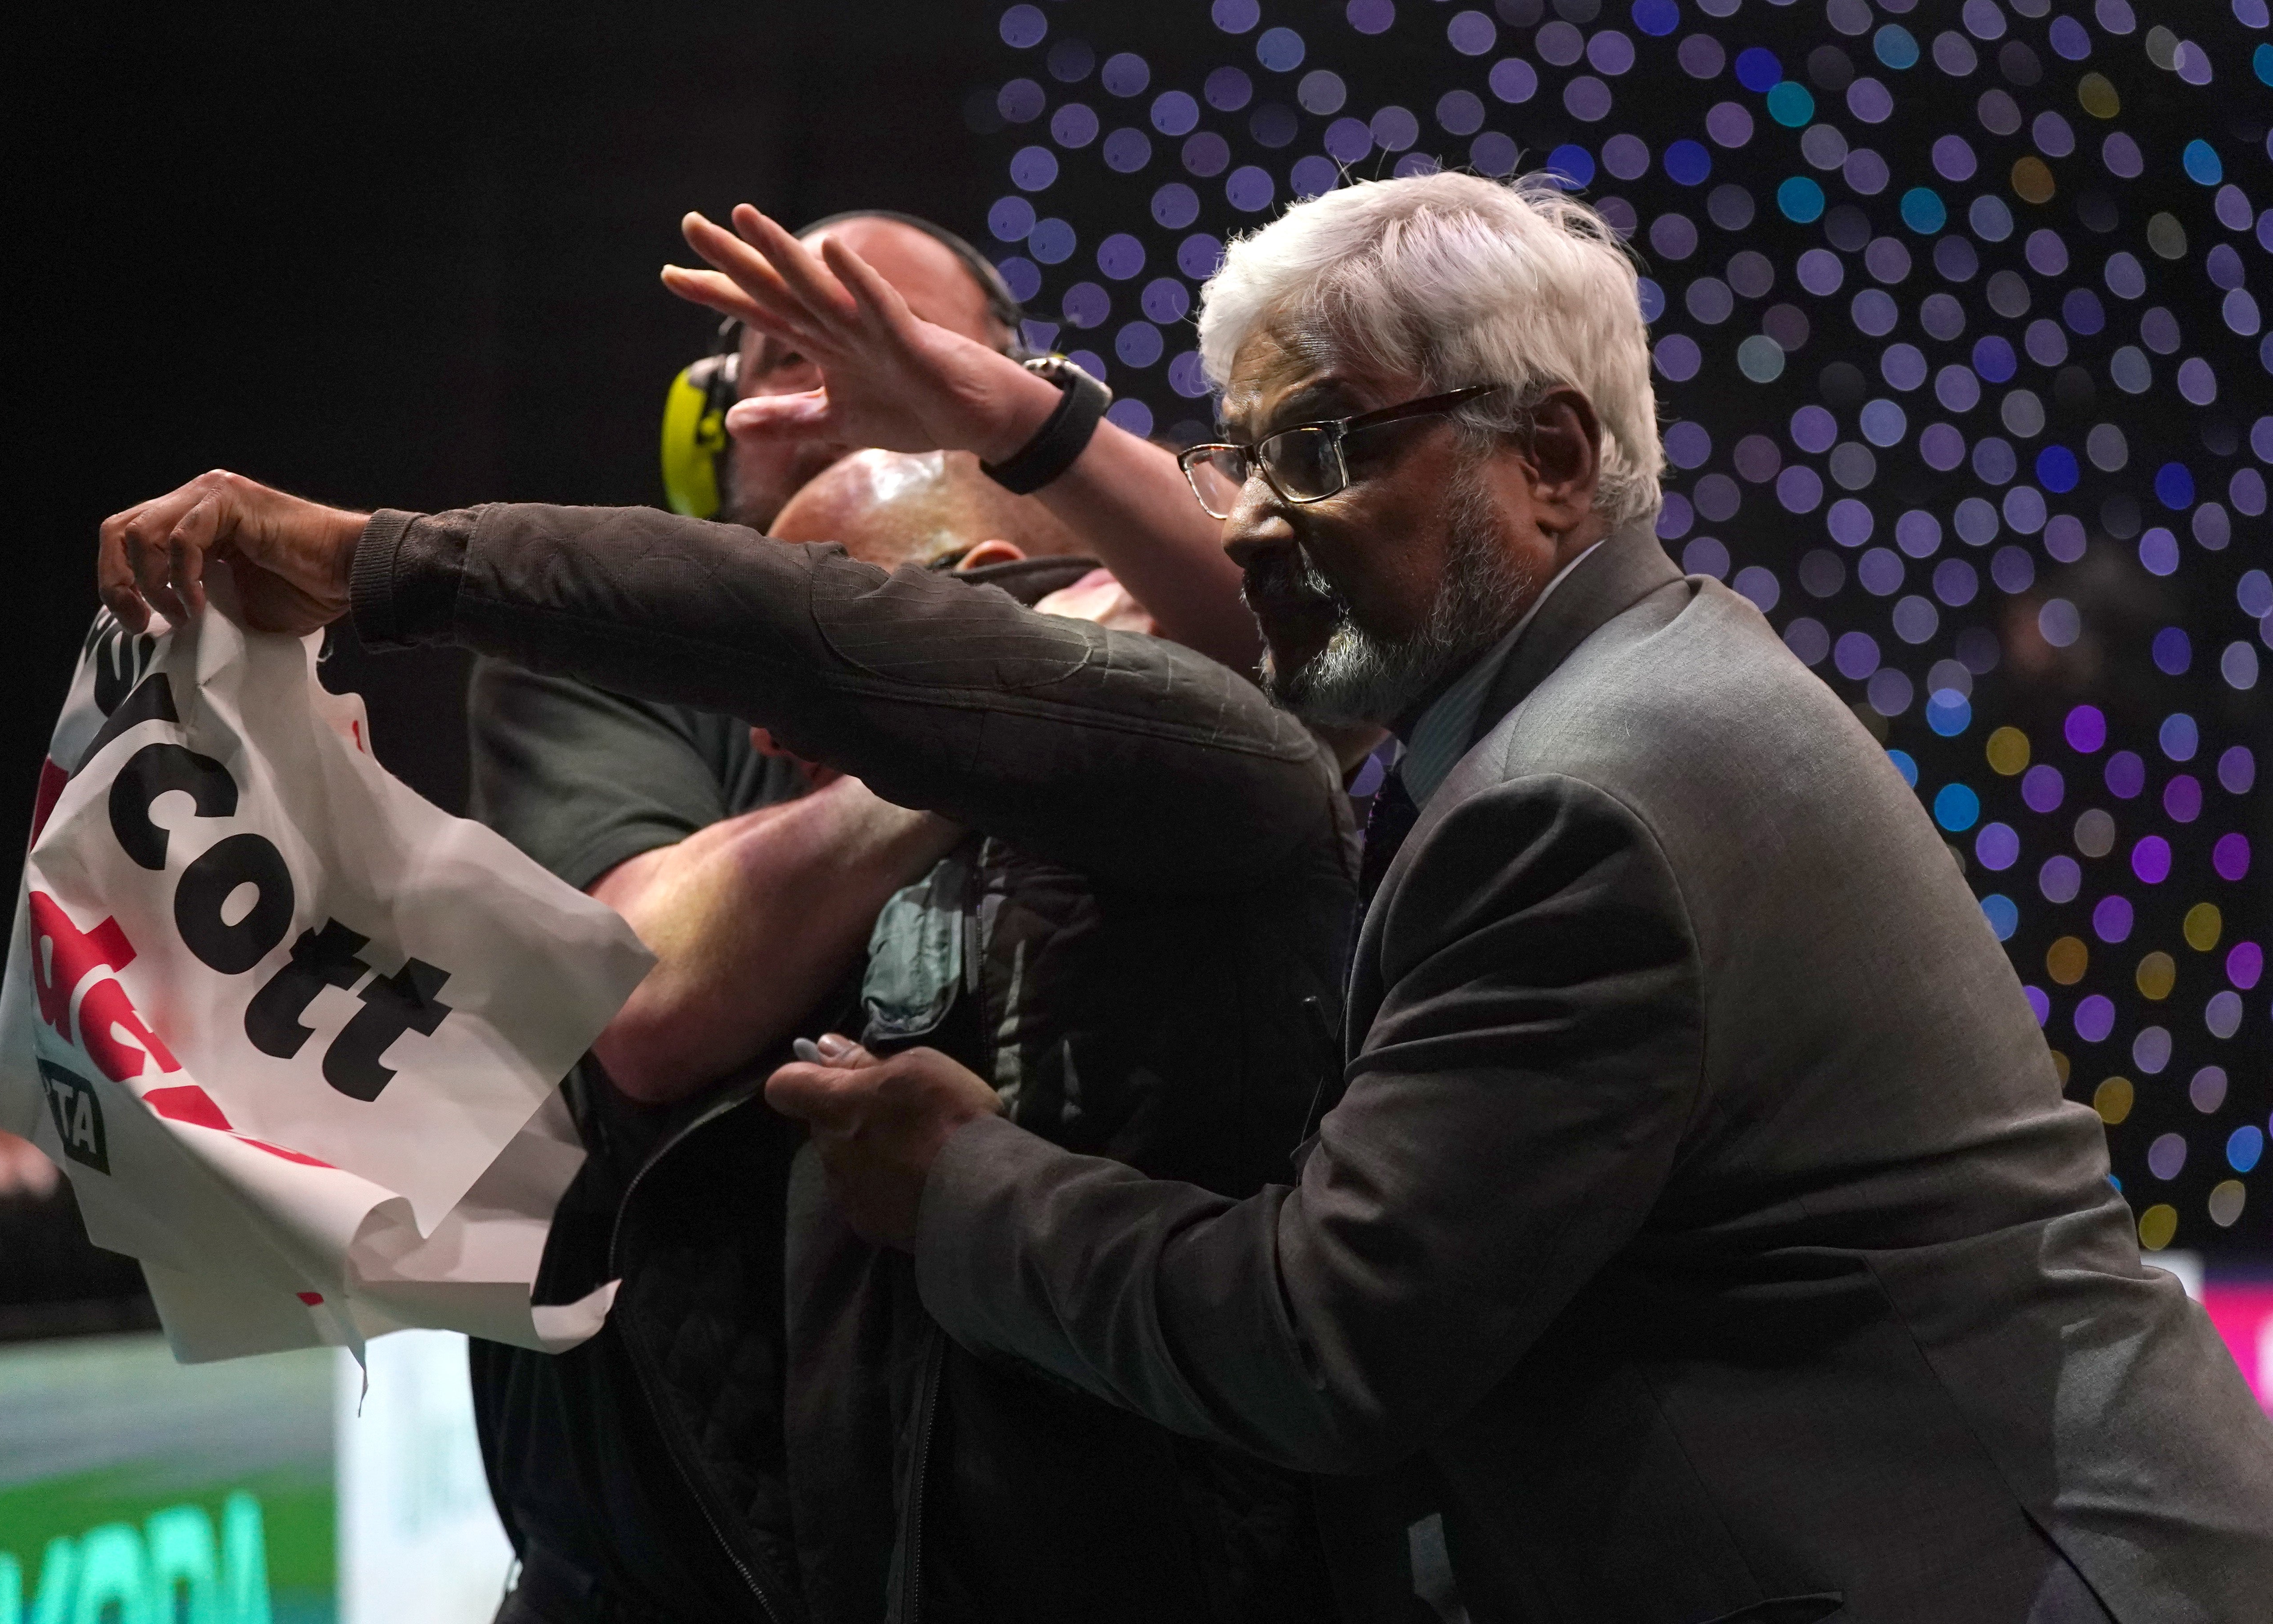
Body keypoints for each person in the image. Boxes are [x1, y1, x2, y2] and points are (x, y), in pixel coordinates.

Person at [726, 173, 2273, 1623]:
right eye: (1245, 459)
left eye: (1323, 449)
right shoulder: (1627, 681)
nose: (1256, 522)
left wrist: (958, 1185)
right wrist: (1031, 421)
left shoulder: (1574, 797)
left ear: (1549, 458)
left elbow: (1324, 1344)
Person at [95, 447, 1349, 1623]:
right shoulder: (896, 823)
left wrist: (381, 559)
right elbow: (649, 1004)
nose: (760, 729)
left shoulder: (1219, 779)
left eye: (819, 631)